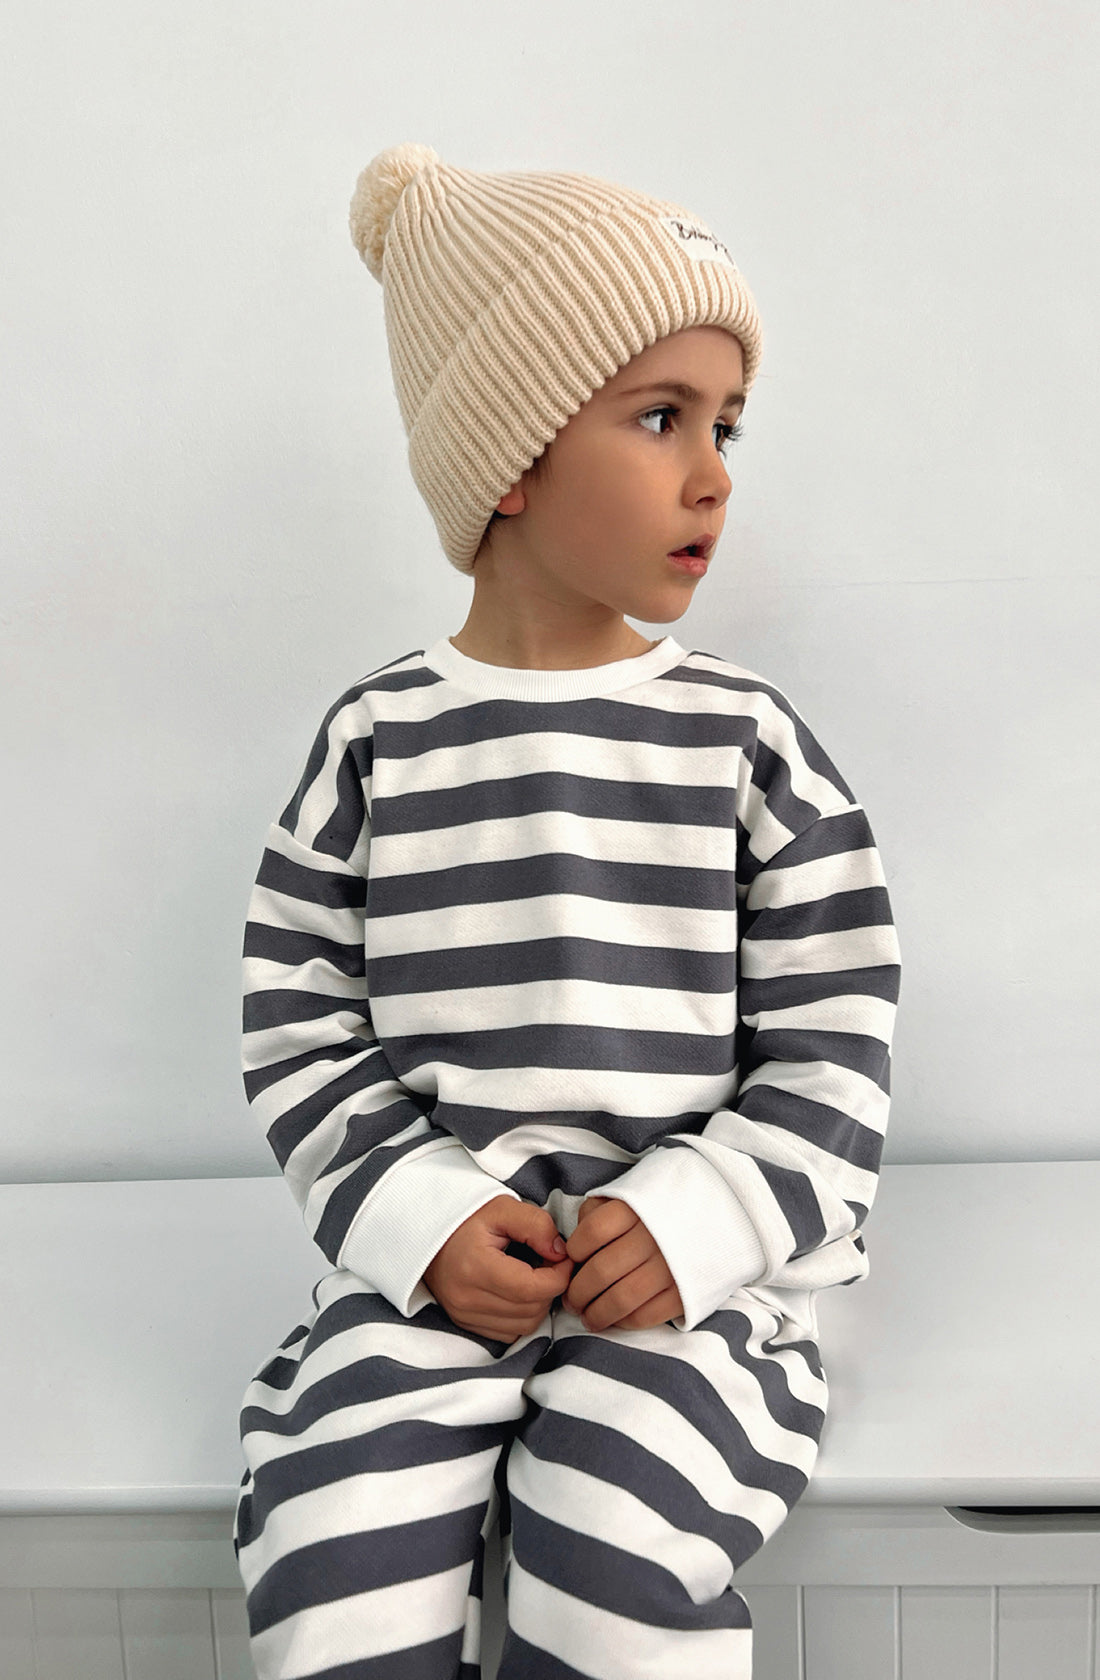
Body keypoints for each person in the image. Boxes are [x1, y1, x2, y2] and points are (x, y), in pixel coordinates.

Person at [232, 142, 901, 1680]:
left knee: (612, 1547)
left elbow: (836, 1044)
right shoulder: (377, 743)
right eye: (660, 418)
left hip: (693, 1294)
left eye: (727, 423)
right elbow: (297, 1022)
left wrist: (700, 1220)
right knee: (328, 1561)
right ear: (512, 457)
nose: (716, 472)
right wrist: (417, 1216)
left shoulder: (749, 745)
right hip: (431, 1280)